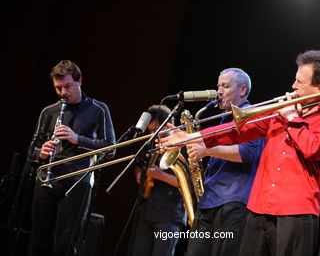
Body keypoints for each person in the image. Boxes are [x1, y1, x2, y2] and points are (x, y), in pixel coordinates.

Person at [159, 50, 320, 256]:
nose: (293, 86)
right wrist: (189, 138)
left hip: (296, 211)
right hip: (258, 207)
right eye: (295, 80)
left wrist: (292, 118)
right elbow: (234, 132)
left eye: (300, 82)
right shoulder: (279, 113)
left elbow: (312, 149)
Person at [28, 60, 116, 256]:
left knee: (66, 244)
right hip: (46, 179)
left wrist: (77, 139)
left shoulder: (98, 109)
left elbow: (111, 148)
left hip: (77, 181)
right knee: (38, 241)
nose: (62, 93)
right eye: (58, 88)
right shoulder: (48, 112)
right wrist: (40, 153)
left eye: (67, 86)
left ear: (80, 81)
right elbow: (31, 151)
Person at [183, 68, 265, 256]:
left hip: (233, 201)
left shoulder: (250, 114)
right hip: (210, 200)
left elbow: (248, 153)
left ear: (242, 90)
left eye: (225, 86)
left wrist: (206, 150)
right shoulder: (222, 119)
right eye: (218, 86)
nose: (219, 91)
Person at [129, 105, 187, 256]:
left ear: (168, 124)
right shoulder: (152, 144)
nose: (153, 134)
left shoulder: (184, 145)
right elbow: (139, 166)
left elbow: (188, 183)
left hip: (170, 214)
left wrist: (159, 175)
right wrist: (139, 174)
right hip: (147, 210)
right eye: (150, 131)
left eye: (156, 130)